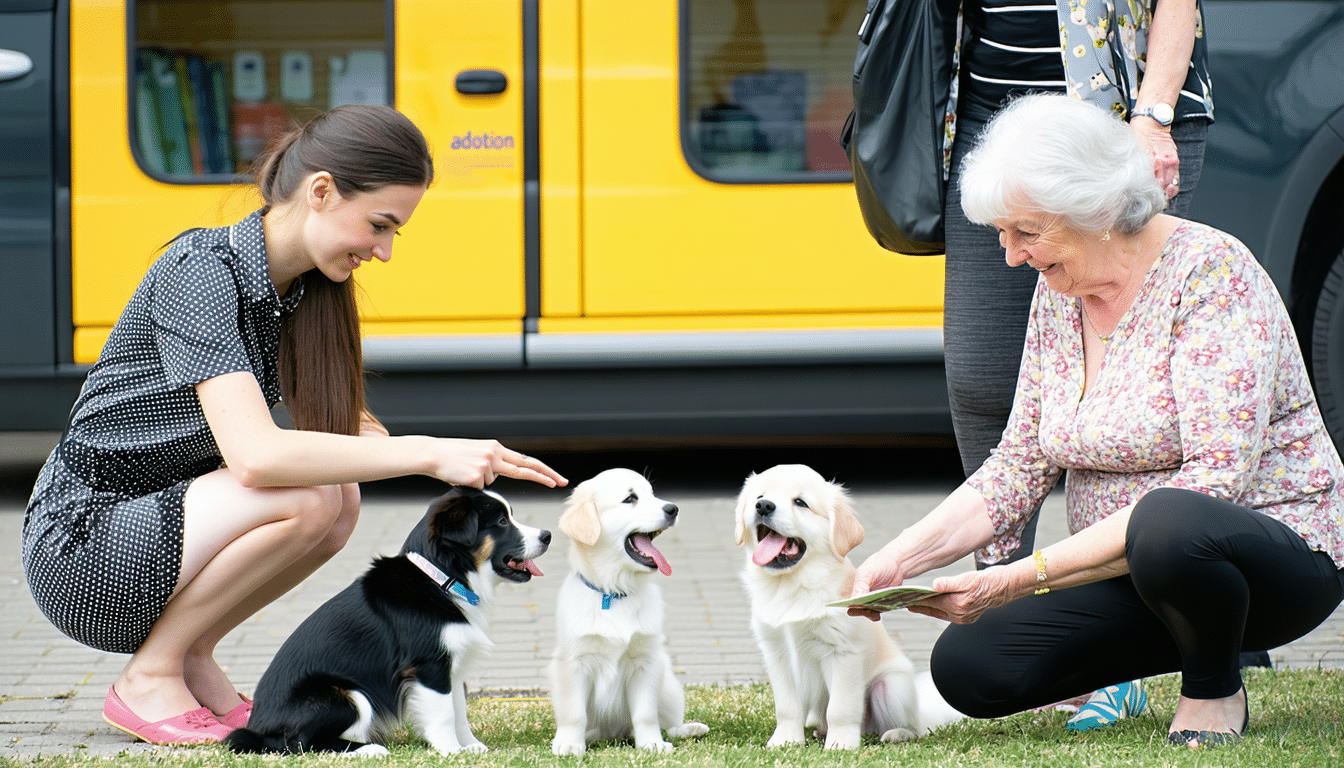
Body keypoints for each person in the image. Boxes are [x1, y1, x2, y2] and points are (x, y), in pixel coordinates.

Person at [21, 105, 568, 746]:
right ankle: (152, 672)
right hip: (84, 545)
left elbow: (349, 435)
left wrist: (459, 465)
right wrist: (431, 453)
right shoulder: (200, 270)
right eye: (378, 225)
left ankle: (193, 656)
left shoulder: (306, 289)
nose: (384, 252)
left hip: (168, 529)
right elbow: (257, 459)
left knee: (337, 500)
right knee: (305, 495)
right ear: (321, 191)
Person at [850, 94, 1344, 749]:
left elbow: (1214, 480)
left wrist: (1014, 581)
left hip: (1275, 565)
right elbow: (1020, 462)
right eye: (1002, 234)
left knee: (1169, 519)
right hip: (1133, 574)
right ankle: (1139, 671)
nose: (1010, 255)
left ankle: (1212, 685)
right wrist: (896, 560)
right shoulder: (1061, 293)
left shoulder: (1212, 274)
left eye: (1024, 232)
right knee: (970, 669)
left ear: (1095, 210)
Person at [939, 0, 1223, 726]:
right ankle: (1016, 611)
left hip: (1124, 115)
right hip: (985, 105)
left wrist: (1153, 114)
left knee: (1157, 403)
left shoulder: (1215, 271)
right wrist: (902, 565)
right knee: (982, 379)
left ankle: (1205, 632)